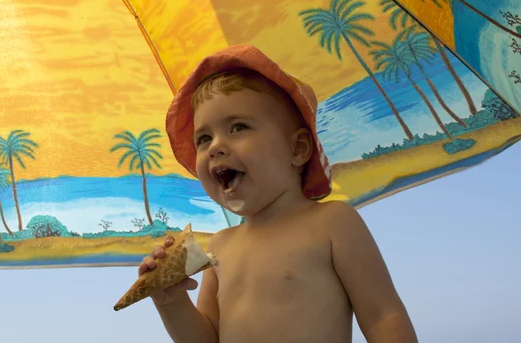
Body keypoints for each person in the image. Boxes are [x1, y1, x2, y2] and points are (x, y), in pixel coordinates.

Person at [139, 45, 417, 342]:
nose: (216, 146)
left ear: (297, 149)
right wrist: (171, 303)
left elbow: (383, 317)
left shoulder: (332, 223)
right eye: (204, 138)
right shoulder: (219, 248)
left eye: (238, 127)